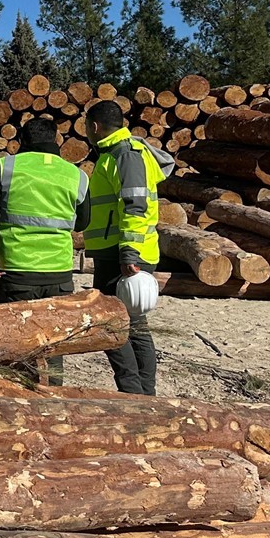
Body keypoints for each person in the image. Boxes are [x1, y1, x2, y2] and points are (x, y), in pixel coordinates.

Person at [0, 115, 91, 384]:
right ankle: (53, 398)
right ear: (55, 140)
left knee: (15, 341)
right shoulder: (76, 174)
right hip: (59, 272)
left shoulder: (5, 167)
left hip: (16, 269)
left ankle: (18, 400)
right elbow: (83, 221)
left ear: (22, 140)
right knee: (53, 342)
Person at [83, 99, 175, 395]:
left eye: (86, 127)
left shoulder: (125, 155)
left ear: (94, 127)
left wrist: (129, 253)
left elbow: (135, 206)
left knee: (112, 325)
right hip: (118, 251)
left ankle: (136, 394)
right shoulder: (114, 153)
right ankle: (143, 395)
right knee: (132, 326)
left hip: (122, 254)